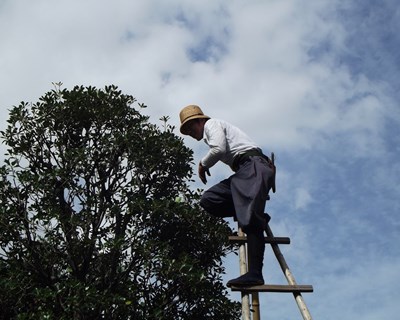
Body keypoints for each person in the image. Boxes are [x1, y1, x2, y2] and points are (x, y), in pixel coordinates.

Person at [179, 104, 276, 286]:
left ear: (200, 120)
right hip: (245, 170)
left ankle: (255, 273)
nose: (190, 132)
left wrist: (203, 164)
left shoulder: (211, 124)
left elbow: (219, 149)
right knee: (209, 199)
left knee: (250, 220)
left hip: (253, 166)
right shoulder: (211, 129)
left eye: (190, 127)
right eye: (187, 130)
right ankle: (252, 214)